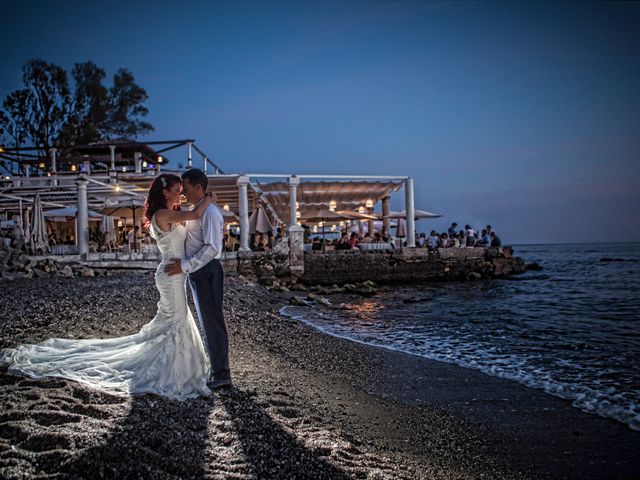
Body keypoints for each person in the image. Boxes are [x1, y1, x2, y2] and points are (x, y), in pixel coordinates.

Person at [1, 173, 218, 400]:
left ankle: (180, 365)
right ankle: (175, 369)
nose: (181, 193)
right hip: (171, 274)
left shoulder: (169, 213)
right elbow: (194, 214)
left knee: (173, 320)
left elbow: (189, 219)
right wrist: (208, 199)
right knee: (176, 320)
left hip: (174, 272)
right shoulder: (163, 214)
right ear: (165, 192)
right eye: (177, 189)